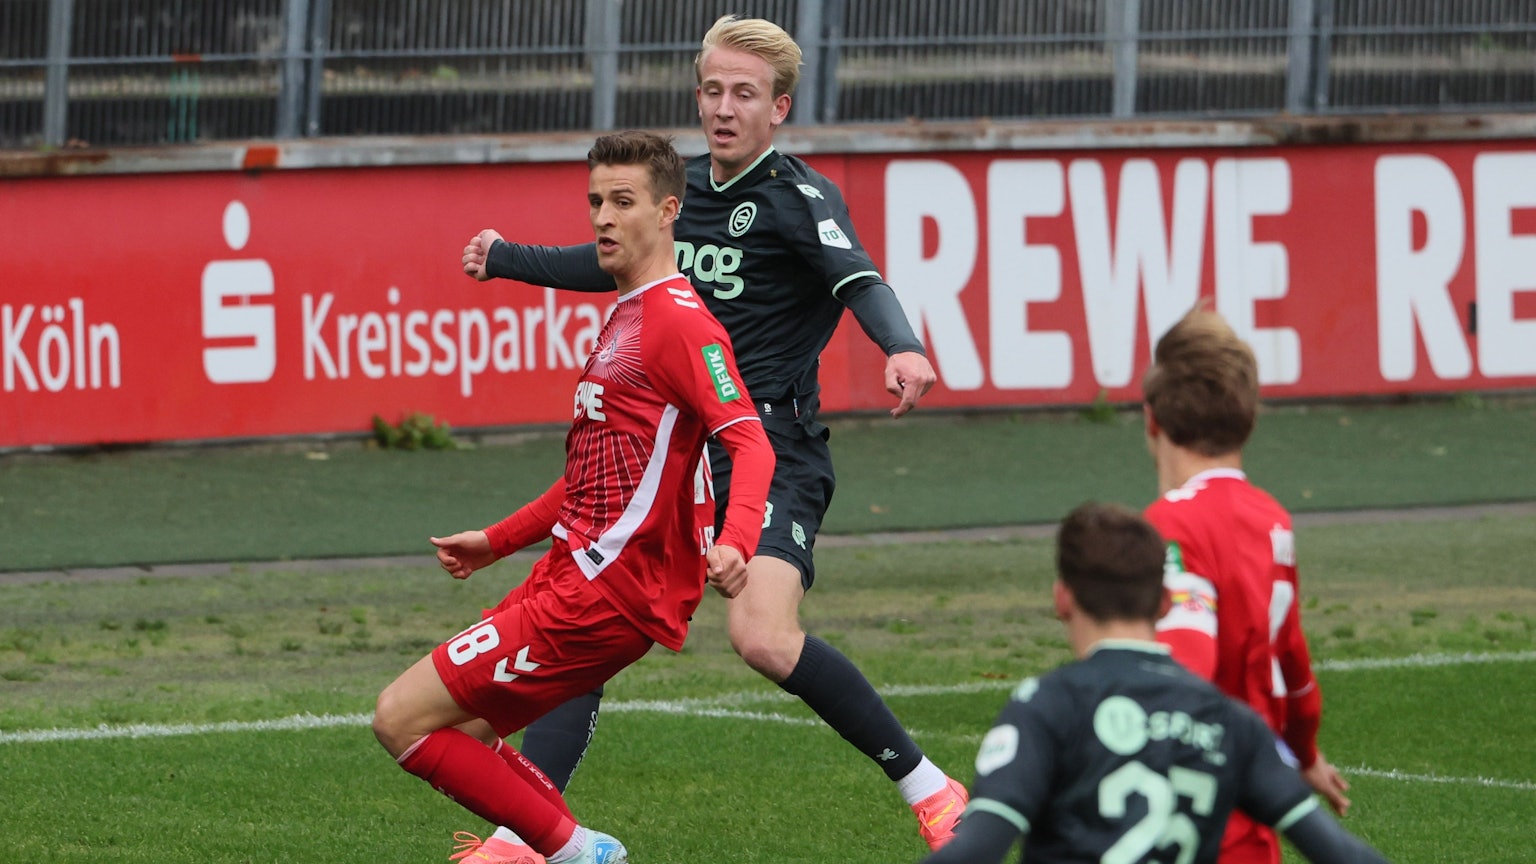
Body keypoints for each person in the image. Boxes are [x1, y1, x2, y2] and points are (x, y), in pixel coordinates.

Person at [455, 13, 965, 862]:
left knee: (762, 635)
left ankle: (933, 790)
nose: (725, 108)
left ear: (780, 109)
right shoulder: (677, 194)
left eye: (746, 94)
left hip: (771, 449)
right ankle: (524, 836)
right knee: (587, 631)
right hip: (677, 463)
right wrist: (512, 257)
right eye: (713, 90)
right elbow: (607, 259)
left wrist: (900, 343)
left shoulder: (797, 198)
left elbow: (859, 277)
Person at [371, 130, 775, 864]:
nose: (604, 218)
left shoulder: (680, 325)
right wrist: (494, 542)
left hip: (603, 592)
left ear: (668, 211)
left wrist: (739, 541)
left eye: (624, 202)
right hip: (568, 576)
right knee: (461, 731)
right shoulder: (627, 315)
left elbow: (750, 439)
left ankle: (574, 852)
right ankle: (568, 849)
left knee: (400, 718)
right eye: (595, 201)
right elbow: (596, 478)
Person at [920, 501, 1394, 864]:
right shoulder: (1231, 721)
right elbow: (1339, 853)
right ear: (1166, 603)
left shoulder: (1044, 707)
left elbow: (976, 849)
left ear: (1062, 599)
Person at [1141, 307, 1353, 864]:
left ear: (1151, 420)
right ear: (1249, 420)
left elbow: (1184, 674)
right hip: (1255, 823)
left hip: (1186, 820)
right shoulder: (1273, 519)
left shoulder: (1169, 525)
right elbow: (1295, 668)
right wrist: (1304, 754)